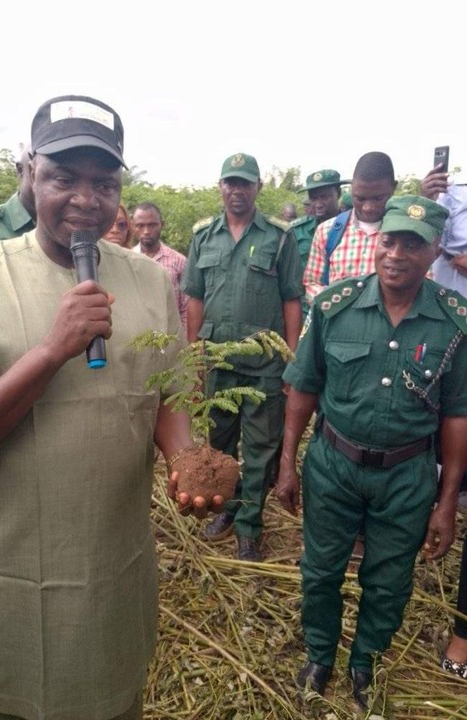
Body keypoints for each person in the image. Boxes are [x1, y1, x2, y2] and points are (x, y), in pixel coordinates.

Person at [0, 93, 220, 720]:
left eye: (103, 182)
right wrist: (50, 351)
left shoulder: (149, 279)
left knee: (114, 698)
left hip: (117, 558)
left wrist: (185, 453)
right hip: (22, 564)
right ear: (28, 174)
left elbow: (167, 392)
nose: (85, 198)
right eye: (62, 177)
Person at [276, 195, 467, 711]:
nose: (397, 254)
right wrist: (287, 463)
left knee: (388, 579)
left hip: (407, 475)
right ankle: (320, 654)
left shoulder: (455, 322)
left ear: (433, 254)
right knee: (320, 571)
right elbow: (303, 388)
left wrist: (447, 501)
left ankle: (365, 661)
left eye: (413, 244)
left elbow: (456, 417)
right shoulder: (333, 306)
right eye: (389, 240)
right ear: (375, 242)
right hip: (333, 466)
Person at [182, 152, 303, 562]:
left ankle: (250, 526)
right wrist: (195, 356)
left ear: (258, 188)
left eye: (245, 183)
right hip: (218, 360)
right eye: (230, 183)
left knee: (260, 450)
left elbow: (291, 300)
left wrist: (292, 358)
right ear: (221, 187)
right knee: (219, 445)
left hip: (265, 364)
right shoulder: (203, 237)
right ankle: (226, 511)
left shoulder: (279, 237)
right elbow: (194, 300)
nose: (237, 190)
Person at [420, 163, 467, 678]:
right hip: (444, 349)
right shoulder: (453, 190)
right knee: (435, 473)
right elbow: (411, 244)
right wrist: (427, 200)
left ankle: (463, 635)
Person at [303, 151, 397, 306]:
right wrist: (333, 304)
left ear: (393, 188)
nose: (368, 207)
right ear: (351, 189)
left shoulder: (407, 235)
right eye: (360, 198)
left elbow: (423, 285)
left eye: (378, 198)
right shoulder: (326, 231)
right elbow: (312, 282)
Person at [132, 202, 189, 334]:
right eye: (140, 226)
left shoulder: (179, 261)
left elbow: (186, 308)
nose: (146, 231)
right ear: (133, 227)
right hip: (136, 340)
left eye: (152, 225)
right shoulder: (126, 260)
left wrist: (184, 343)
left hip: (170, 338)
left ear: (161, 225)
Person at [291, 169, 349, 270]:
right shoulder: (297, 230)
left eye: (324, 197)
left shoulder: (351, 226)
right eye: (313, 199)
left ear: (338, 194)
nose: (318, 205)